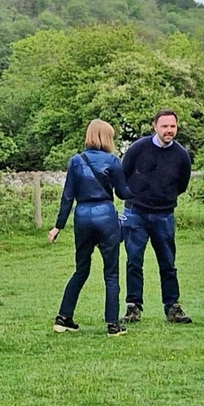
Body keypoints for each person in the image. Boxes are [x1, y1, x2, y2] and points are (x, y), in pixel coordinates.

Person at [49, 119, 133, 336]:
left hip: (82, 216)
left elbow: (67, 196)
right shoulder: (112, 161)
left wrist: (58, 226)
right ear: (106, 138)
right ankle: (113, 324)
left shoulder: (76, 161)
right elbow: (123, 193)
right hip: (105, 215)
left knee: (81, 269)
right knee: (111, 273)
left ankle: (63, 318)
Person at [120, 109, 193, 325]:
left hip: (164, 214)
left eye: (172, 126)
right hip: (136, 212)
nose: (169, 130)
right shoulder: (138, 149)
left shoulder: (181, 155)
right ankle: (133, 307)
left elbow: (182, 185)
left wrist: (164, 198)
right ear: (155, 126)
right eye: (165, 126)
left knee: (168, 263)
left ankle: (173, 307)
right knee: (134, 260)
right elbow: (123, 174)